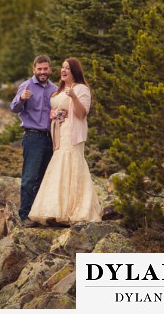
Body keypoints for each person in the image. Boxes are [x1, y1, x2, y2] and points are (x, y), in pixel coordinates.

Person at [28, 57, 101, 226]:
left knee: (71, 163)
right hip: (59, 132)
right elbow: (56, 108)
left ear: (74, 71)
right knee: (58, 164)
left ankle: (73, 209)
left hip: (72, 132)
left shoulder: (82, 89)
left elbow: (82, 114)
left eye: (67, 68)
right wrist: (54, 114)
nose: (63, 70)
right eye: (62, 67)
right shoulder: (59, 89)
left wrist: (74, 97)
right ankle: (56, 210)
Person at [10, 55, 58, 228]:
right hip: (33, 137)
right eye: (39, 69)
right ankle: (24, 215)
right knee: (30, 178)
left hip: (51, 138)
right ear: (34, 70)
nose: (43, 72)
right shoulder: (26, 86)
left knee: (44, 178)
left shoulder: (55, 88)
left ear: (50, 70)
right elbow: (14, 108)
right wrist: (22, 98)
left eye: (45, 69)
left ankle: (38, 213)